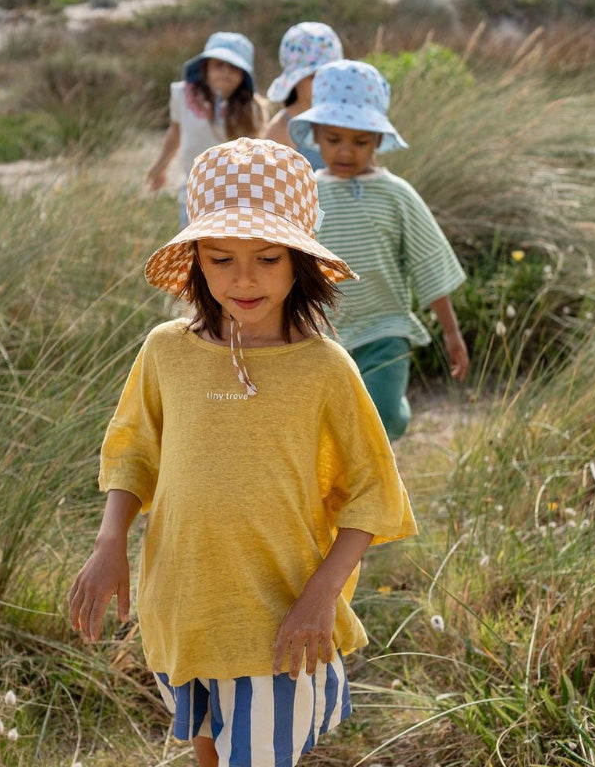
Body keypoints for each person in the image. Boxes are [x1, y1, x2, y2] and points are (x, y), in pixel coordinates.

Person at [69, 138, 417, 767]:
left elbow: (374, 491)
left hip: (279, 612)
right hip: (185, 603)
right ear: (196, 260)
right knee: (208, 746)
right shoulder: (166, 350)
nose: (244, 279)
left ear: (299, 263)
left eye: (268, 257)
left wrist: (321, 597)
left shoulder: (323, 368)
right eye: (221, 258)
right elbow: (133, 453)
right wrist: (108, 542)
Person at [288, 59, 470, 441]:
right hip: (320, 333)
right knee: (326, 431)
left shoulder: (396, 193)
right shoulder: (306, 195)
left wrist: (452, 333)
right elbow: (285, 264)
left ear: (377, 140)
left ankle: (389, 436)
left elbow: (428, 260)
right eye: (334, 139)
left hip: (384, 328)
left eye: (360, 142)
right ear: (316, 135)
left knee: (384, 417)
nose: (346, 152)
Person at [146, 31, 266, 227]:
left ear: (243, 75)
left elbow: (257, 152)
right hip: (194, 191)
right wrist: (160, 166)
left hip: (236, 197)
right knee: (193, 251)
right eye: (219, 65)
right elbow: (175, 131)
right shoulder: (183, 96)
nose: (225, 72)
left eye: (234, 68)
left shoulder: (251, 108)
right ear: (206, 67)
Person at [264, 22, 343, 171]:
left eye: (329, 76)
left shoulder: (347, 118)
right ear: (296, 81)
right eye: (314, 77)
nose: (324, 84)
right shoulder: (281, 130)